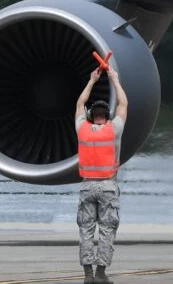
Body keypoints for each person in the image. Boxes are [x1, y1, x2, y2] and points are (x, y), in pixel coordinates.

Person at [75, 59, 129, 283]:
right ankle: (101, 273)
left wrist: (91, 81)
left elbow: (79, 104)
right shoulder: (114, 129)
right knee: (107, 230)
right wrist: (114, 80)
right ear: (107, 115)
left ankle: (87, 274)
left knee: (86, 230)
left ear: (90, 115)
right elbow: (124, 105)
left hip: (87, 185)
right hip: (107, 185)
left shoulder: (82, 129)